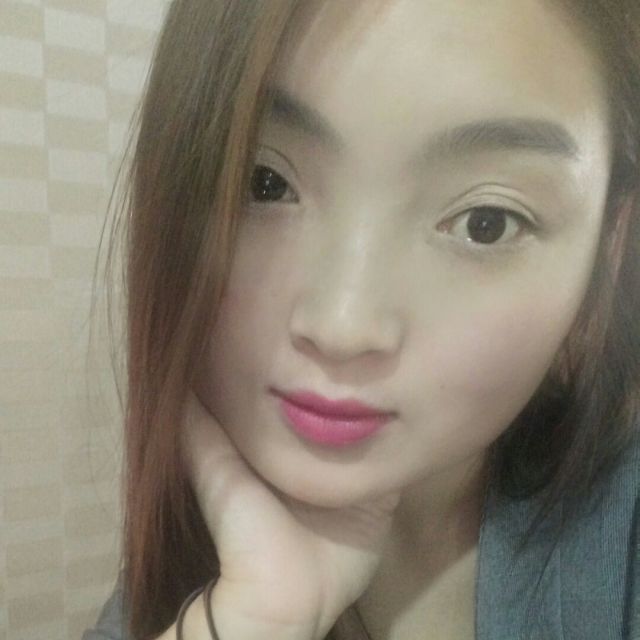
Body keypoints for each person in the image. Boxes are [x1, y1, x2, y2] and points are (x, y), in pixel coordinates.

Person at [83, 0, 640, 638]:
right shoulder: (177, 581)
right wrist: (251, 622)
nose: (342, 327)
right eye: (264, 183)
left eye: (486, 223)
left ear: (608, 248)